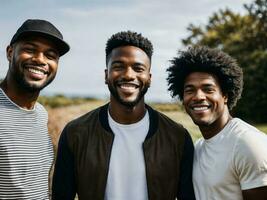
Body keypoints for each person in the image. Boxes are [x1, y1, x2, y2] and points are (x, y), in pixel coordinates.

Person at [52, 31, 195, 200]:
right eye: (118, 66)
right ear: (106, 75)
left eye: (138, 68)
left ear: (149, 78)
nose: (128, 75)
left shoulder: (177, 137)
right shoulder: (75, 133)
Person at [166, 45, 267, 200]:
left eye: (208, 89)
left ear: (225, 95)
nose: (198, 96)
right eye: (190, 90)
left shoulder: (247, 143)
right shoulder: (198, 148)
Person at [0, 19, 69, 199]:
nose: (40, 59)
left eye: (50, 55)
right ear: (10, 52)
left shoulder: (40, 113)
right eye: (30, 50)